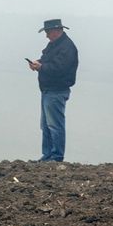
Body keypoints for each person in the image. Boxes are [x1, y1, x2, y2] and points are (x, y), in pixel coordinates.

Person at [28, 18, 79, 162]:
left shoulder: (67, 47)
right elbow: (47, 60)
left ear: (56, 31)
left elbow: (59, 69)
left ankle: (56, 156)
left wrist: (41, 67)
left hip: (57, 91)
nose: (46, 36)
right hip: (48, 90)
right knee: (46, 125)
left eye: (48, 32)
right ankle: (47, 155)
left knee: (55, 125)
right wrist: (38, 63)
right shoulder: (54, 45)